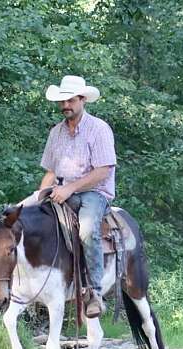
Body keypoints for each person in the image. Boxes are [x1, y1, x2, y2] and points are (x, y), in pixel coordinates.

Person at [39, 75, 116, 318]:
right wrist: (37, 197)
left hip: (94, 193)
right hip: (61, 190)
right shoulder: (56, 133)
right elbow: (51, 172)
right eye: (62, 101)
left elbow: (103, 171)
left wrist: (70, 188)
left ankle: (95, 292)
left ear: (82, 99)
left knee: (86, 230)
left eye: (70, 100)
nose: (65, 106)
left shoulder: (99, 129)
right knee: (38, 222)